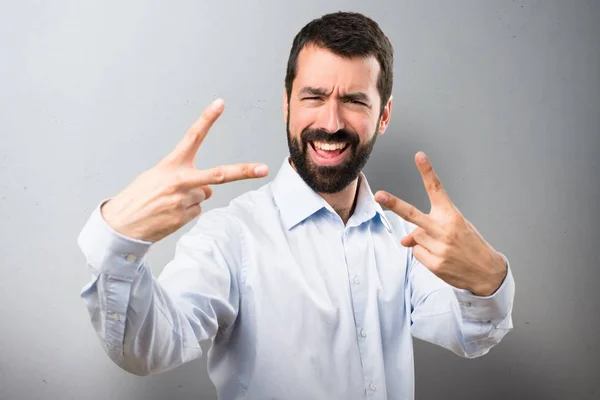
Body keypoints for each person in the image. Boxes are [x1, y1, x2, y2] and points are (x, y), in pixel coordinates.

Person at [77, 11, 515, 400]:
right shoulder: (231, 236)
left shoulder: (404, 238)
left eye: (354, 101)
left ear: (384, 115)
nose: (330, 122)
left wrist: (490, 279)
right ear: (287, 103)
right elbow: (150, 348)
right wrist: (119, 241)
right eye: (314, 96)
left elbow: (469, 333)